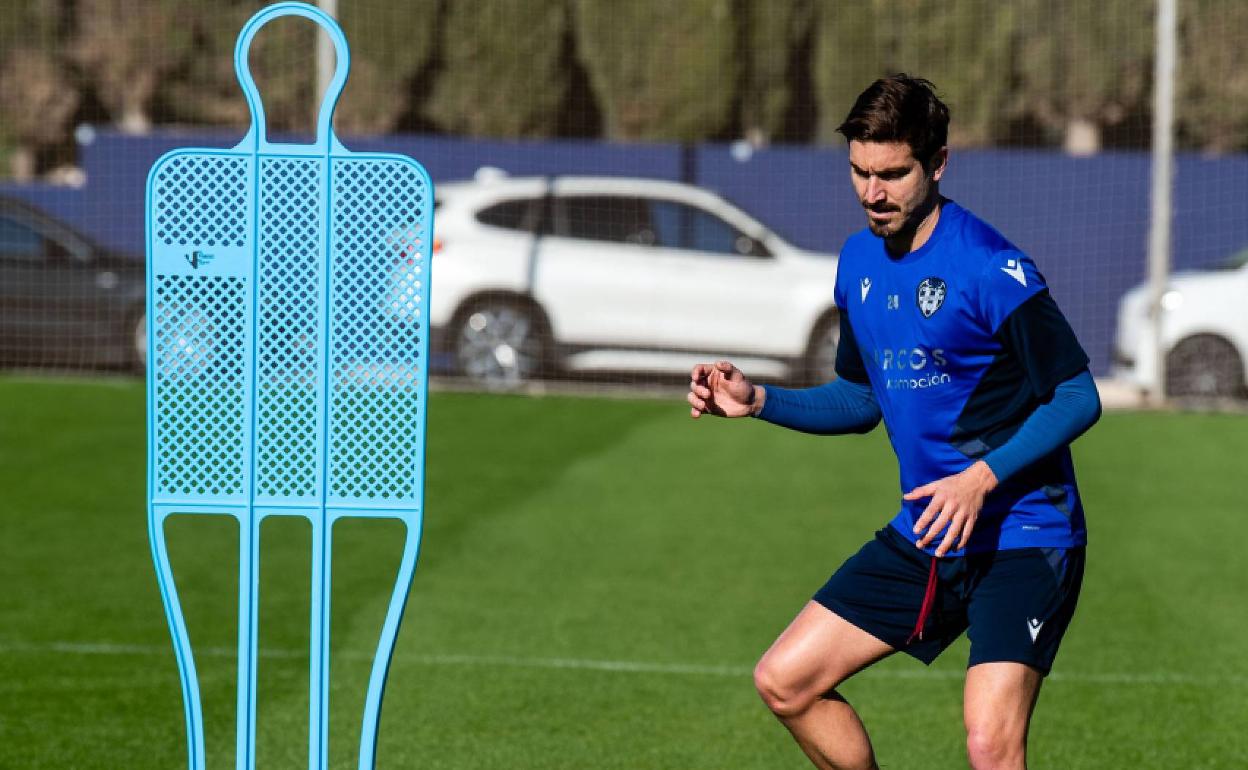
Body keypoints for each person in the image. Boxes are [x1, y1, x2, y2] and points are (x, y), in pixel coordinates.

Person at [686, 75, 1101, 770]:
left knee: (990, 745)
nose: (873, 193)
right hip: (930, 531)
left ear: (937, 163)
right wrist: (760, 401)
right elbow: (859, 398)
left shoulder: (989, 267)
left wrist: (981, 478)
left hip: (1025, 534)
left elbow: (1077, 394)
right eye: (859, 172)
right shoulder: (857, 265)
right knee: (785, 681)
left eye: (893, 174)